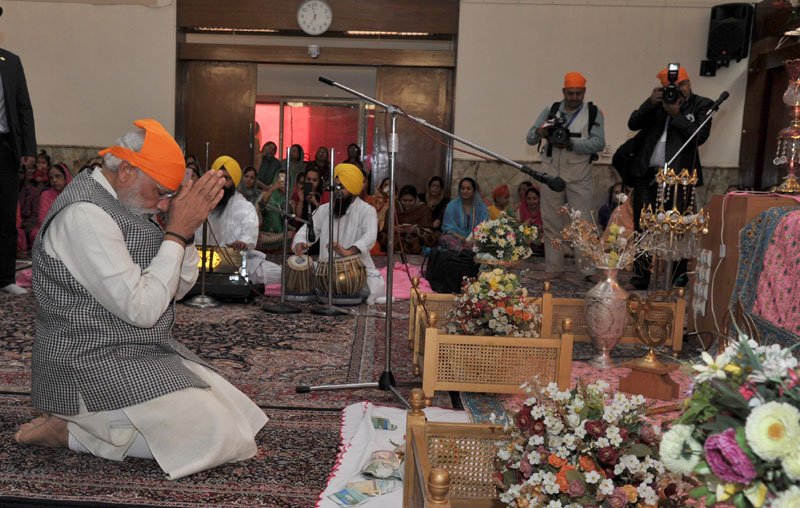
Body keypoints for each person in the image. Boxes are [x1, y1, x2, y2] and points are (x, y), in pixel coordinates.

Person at [15, 119, 268, 479]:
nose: (164, 204)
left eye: (171, 195)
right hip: (88, 364)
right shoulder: (84, 215)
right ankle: (74, 431)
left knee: (241, 415)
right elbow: (144, 309)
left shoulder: (130, 203)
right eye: (161, 192)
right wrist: (176, 231)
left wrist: (187, 232)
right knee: (220, 435)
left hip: (135, 351)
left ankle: (94, 427)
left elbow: (176, 289)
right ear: (127, 171)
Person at [626, 65, 713, 290]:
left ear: (689, 83)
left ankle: (678, 274)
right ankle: (641, 274)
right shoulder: (659, 103)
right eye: (669, 87)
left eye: (681, 85)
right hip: (648, 176)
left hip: (679, 178)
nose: (677, 90)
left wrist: (677, 114)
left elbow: (700, 136)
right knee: (642, 226)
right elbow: (633, 123)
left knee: (678, 227)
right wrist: (650, 102)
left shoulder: (702, 104)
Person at [526, 71, 605, 280]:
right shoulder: (550, 110)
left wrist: (572, 143)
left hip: (579, 176)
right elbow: (530, 139)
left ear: (584, 92)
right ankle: (554, 268)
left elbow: (598, 143)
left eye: (578, 93)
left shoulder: (593, 113)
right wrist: (541, 132)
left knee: (584, 225)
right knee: (552, 222)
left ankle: (588, 271)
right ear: (563, 92)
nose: (574, 98)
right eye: (570, 93)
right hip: (550, 175)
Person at [292, 163, 385, 304]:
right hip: (326, 269)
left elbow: (370, 236)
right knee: (295, 273)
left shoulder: (367, 211)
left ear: (353, 188)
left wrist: (349, 251)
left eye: (342, 187)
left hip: (356, 270)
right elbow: (307, 230)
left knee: (374, 286)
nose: (337, 191)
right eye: (336, 186)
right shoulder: (324, 209)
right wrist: (300, 243)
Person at [196, 155, 281, 286]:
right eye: (218, 178)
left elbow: (249, 237)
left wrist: (242, 243)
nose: (222, 183)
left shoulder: (245, 207)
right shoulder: (203, 207)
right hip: (206, 264)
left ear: (234, 182)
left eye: (227, 178)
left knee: (278, 274)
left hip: (238, 264)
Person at [0, 48, 37, 295]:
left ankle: (4, 277)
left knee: (4, 215)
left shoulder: (11, 62)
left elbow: (24, 108)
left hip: (4, 147)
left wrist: (29, 149)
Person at [380, 184, 436, 255]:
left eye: (410, 200)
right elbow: (386, 228)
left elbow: (429, 230)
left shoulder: (424, 209)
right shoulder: (394, 207)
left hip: (415, 238)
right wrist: (394, 229)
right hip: (398, 236)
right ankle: (407, 249)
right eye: (404, 200)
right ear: (400, 199)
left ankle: (401, 249)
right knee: (382, 236)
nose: (407, 203)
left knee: (428, 239)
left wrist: (415, 229)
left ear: (416, 199)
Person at [438, 176, 488, 251]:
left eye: (468, 188)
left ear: (474, 191)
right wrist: (462, 238)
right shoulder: (452, 205)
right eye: (462, 188)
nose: (465, 191)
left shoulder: (481, 207)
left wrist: (474, 240)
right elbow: (447, 228)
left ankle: (466, 252)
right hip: (456, 239)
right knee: (444, 238)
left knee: (487, 242)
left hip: (475, 240)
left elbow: (485, 226)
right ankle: (465, 252)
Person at [30, 162, 73, 241]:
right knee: (35, 234)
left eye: (58, 176)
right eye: (51, 178)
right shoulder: (46, 194)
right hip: (50, 230)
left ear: (66, 176)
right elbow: (42, 219)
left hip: (70, 229)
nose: (54, 180)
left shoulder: (74, 194)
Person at [256, 169, 291, 251]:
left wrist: (286, 195)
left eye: (285, 180)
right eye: (279, 178)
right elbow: (261, 206)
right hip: (265, 235)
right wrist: (272, 189)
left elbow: (289, 219)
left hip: (280, 237)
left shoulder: (289, 200)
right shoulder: (266, 194)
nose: (281, 182)